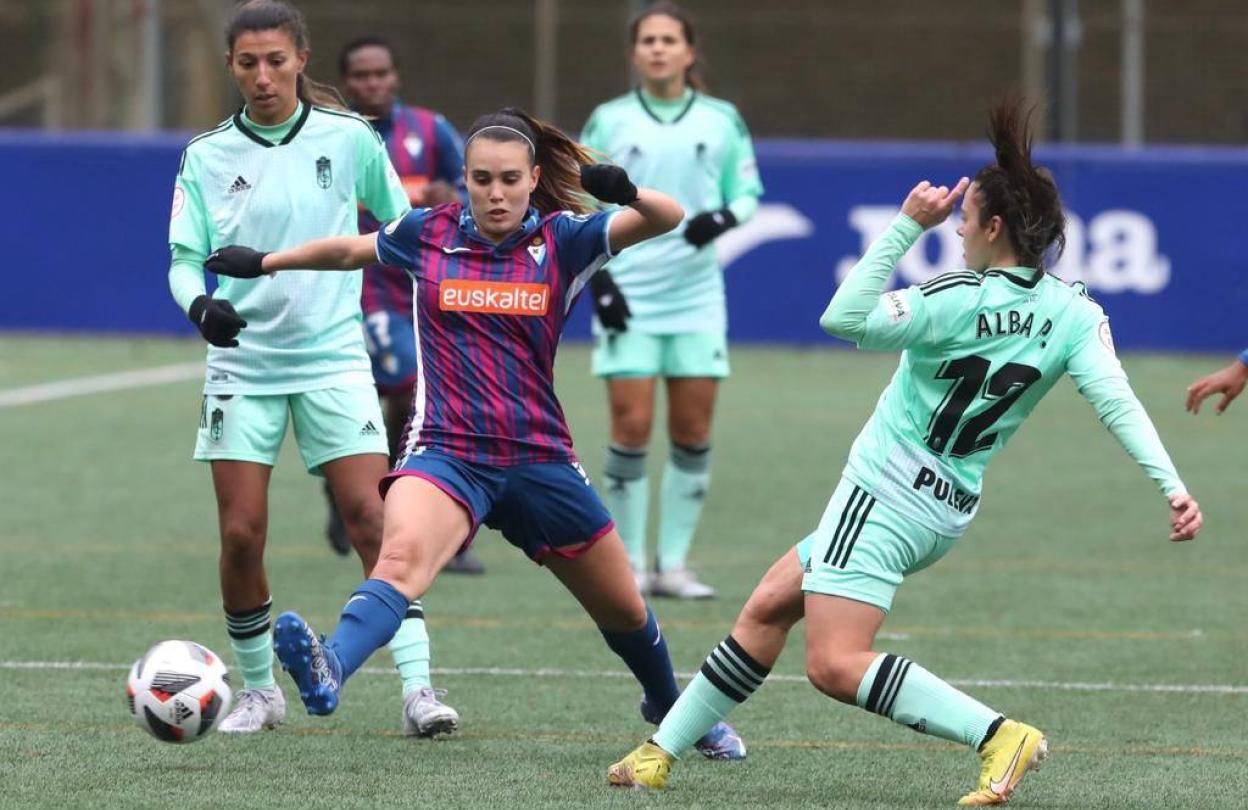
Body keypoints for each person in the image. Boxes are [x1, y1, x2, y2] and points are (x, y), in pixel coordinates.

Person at [606, 98, 1203, 806]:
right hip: (943, 511)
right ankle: (659, 752)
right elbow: (1117, 402)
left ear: (995, 227)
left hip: (883, 495)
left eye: (965, 216)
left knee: (834, 664)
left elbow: (842, 317)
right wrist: (1172, 486)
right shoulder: (1074, 311)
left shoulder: (957, 297)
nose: (957, 227)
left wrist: (905, 226)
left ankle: (999, 735)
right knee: (767, 608)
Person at [205, 108, 746, 758]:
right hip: (447, 452)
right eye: (482, 179)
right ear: (463, 179)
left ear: (533, 178)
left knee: (625, 610)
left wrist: (625, 190)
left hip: (539, 457)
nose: (496, 193)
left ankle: (670, 706)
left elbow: (667, 217)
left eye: (510, 179)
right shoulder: (426, 232)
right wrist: (265, 261)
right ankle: (331, 666)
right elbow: (349, 249)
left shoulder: (565, 239)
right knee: (400, 562)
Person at [167, 0, 456, 737]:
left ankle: (418, 690)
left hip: (334, 359)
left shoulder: (349, 137)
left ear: (301, 58)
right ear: (232, 67)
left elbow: (401, 227)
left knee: (375, 521)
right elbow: (182, 260)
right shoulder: (207, 153)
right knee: (241, 534)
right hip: (242, 369)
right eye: (247, 63)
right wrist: (202, 307)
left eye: (276, 60)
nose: (262, 76)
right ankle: (260, 692)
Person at [579, 1, 764, 599]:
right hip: (629, 293)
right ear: (635, 53)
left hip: (696, 296)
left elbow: (748, 193)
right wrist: (600, 281)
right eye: (648, 40)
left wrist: (722, 218)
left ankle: (675, 564)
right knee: (631, 427)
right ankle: (631, 565)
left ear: (689, 52)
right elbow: (580, 201)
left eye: (669, 40)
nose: (658, 49)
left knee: (692, 429)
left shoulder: (721, 119)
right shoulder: (609, 120)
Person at [324, 34, 485, 575]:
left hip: (425, 285)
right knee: (408, 384)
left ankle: (369, 493)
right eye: (361, 75)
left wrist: (455, 198)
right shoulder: (333, 136)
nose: (372, 83)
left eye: (381, 73)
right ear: (346, 83)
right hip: (364, 284)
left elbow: (476, 187)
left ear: (395, 77)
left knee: (415, 396)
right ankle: (375, 498)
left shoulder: (430, 129)